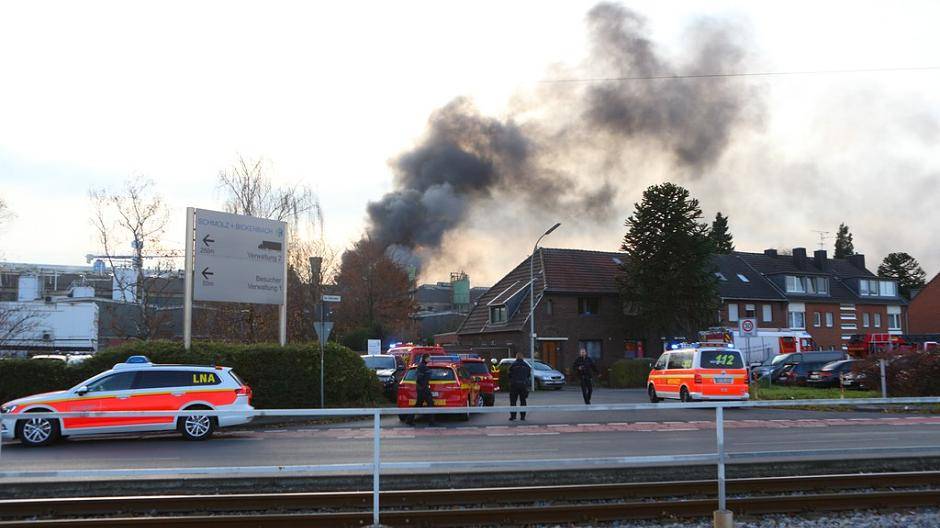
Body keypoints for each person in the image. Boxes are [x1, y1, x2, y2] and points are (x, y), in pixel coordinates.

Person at [408, 353, 436, 426]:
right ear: (425, 358)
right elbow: (420, 378)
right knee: (430, 404)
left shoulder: (421, 366)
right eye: (429, 358)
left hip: (421, 388)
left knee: (419, 404)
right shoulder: (422, 367)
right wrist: (424, 386)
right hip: (423, 388)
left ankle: (409, 420)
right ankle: (431, 422)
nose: (430, 359)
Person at [508, 352, 531, 421]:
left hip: (514, 385)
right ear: (522, 357)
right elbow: (528, 375)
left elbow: (509, 374)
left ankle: (513, 416)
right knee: (523, 401)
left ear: (516, 357)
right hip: (523, 385)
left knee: (513, 401)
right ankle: (523, 416)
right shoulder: (526, 365)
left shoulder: (513, 365)